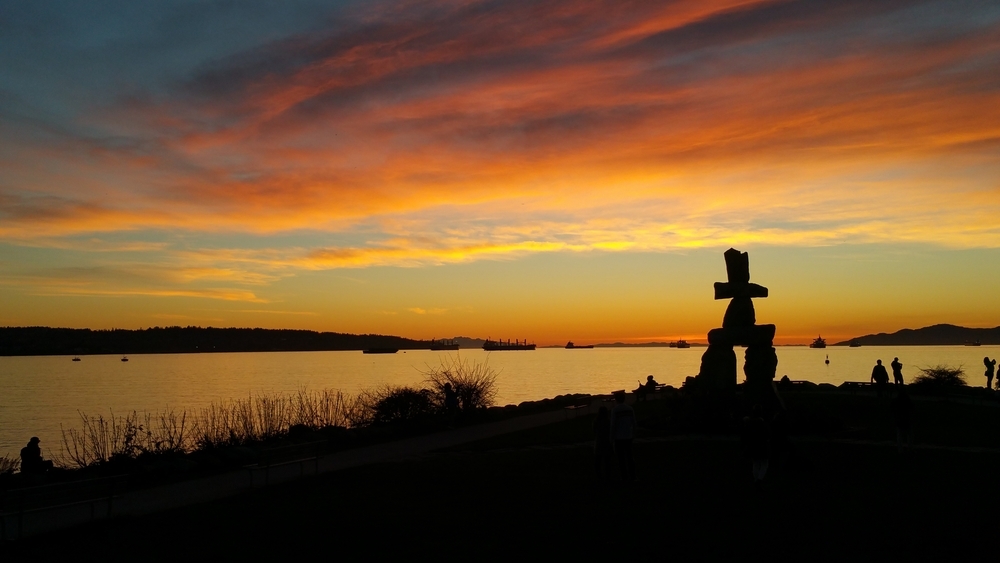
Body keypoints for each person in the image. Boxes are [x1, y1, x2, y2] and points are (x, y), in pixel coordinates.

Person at [610, 391, 636, 482]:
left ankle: (624, 476)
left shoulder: (615, 410)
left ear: (616, 400)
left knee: (621, 458)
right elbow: (634, 422)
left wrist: (611, 438)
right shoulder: (630, 409)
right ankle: (632, 476)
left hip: (618, 437)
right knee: (630, 457)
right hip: (628, 436)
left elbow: (613, 424)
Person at [742, 405, 769, 484]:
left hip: (753, 445)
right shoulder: (762, 423)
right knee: (764, 463)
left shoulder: (750, 423)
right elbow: (767, 434)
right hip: (762, 445)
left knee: (756, 463)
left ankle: (756, 479)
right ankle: (759, 480)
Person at [592, 407, 613, 481]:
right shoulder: (609, 421)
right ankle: (608, 476)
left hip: (599, 443)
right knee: (607, 461)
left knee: (598, 461)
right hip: (607, 443)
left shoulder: (596, 421)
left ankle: (599, 476)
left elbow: (594, 431)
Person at [892, 388, 913, 453]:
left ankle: (900, 449)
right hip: (907, 418)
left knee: (899, 435)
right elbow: (912, 408)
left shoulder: (896, 401)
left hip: (899, 419)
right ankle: (910, 448)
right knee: (909, 435)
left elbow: (893, 409)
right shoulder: (908, 400)